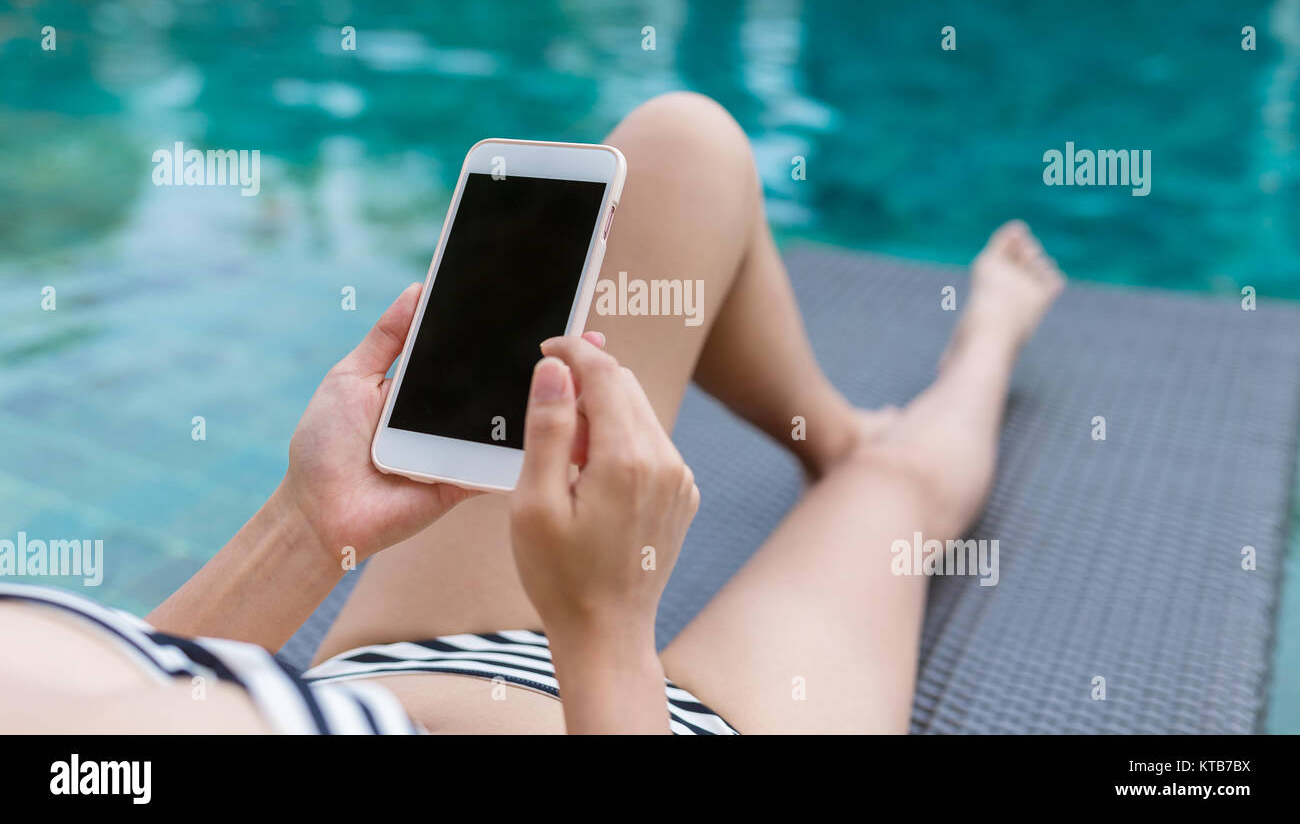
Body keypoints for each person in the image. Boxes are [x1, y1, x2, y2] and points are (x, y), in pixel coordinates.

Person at [0, 93, 1063, 734]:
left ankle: (828, 426)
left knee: (681, 145)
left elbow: (113, 723)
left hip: (407, 663)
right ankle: (987, 338)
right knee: (898, 495)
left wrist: (307, 525)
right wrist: (603, 635)